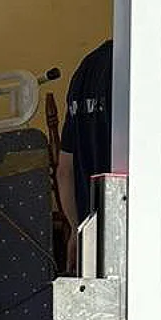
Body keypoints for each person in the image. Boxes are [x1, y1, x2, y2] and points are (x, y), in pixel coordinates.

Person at [56, 38, 113, 271]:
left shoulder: (84, 69)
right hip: (127, 225)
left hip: (90, 233)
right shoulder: (135, 66)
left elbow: (64, 170)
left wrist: (75, 229)